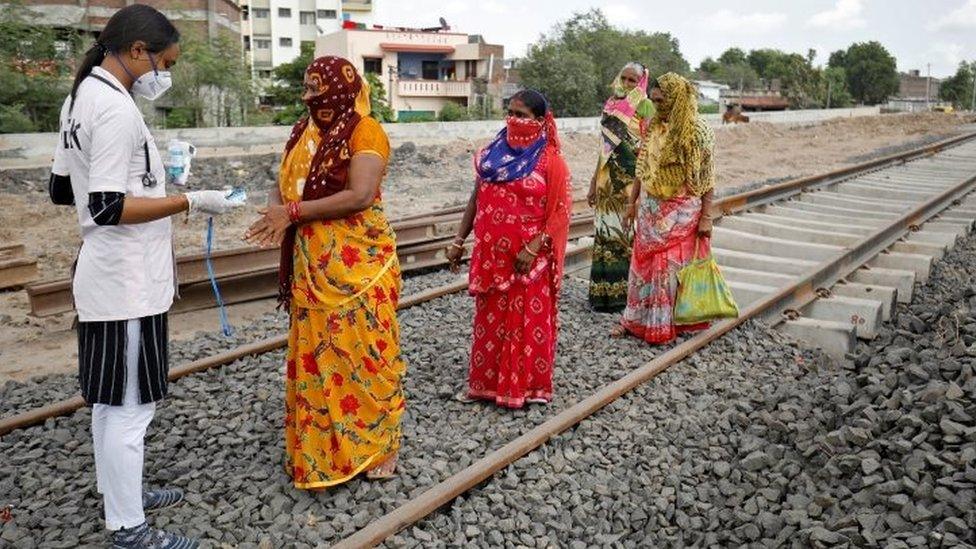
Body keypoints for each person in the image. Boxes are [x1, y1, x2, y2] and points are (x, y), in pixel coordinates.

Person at [48, 5, 244, 548]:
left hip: (108, 276)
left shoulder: (80, 97)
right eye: (166, 62)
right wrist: (187, 199)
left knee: (111, 400)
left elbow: (64, 190)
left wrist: (152, 181)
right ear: (138, 51)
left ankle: (122, 495)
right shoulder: (113, 110)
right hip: (126, 283)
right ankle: (129, 528)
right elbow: (107, 206)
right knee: (132, 407)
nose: (166, 73)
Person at [244, 56, 406, 487]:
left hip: (360, 267)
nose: (309, 97)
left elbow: (360, 194)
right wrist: (276, 211)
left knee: (364, 354)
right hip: (311, 266)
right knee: (320, 356)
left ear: (339, 88)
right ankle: (323, 452)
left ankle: (378, 445)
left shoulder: (364, 130)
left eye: (317, 88)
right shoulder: (302, 131)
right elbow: (285, 183)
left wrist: (292, 212)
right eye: (307, 87)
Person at [445, 89, 572, 408]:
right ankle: (485, 385)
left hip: (528, 261)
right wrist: (459, 240)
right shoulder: (491, 156)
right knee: (490, 324)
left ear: (540, 121)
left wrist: (533, 247)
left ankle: (527, 389)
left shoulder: (550, 161)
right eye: (511, 113)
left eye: (523, 115)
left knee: (525, 324)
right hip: (492, 260)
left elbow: (559, 211)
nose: (514, 120)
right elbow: (475, 199)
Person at [615, 72, 715, 344]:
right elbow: (641, 168)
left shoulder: (698, 132)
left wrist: (707, 217)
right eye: (655, 102)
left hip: (681, 211)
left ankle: (670, 323)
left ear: (677, 100)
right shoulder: (654, 127)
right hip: (649, 209)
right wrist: (632, 202)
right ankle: (635, 320)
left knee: (670, 266)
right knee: (643, 264)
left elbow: (707, 178)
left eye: (663, 102)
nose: (658, 107)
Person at [587, 62, 655, 312]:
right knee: (605, 233)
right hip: (607, 181)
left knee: (627, 235)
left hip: (631, 182)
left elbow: (649, 147)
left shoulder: (645, 105)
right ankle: (602, 296)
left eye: (632, 80)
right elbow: (603, 147)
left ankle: (627, 297)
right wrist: (594, 181)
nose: (626, 84)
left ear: (641, 82)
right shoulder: (610, 104)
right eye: (623, 78)